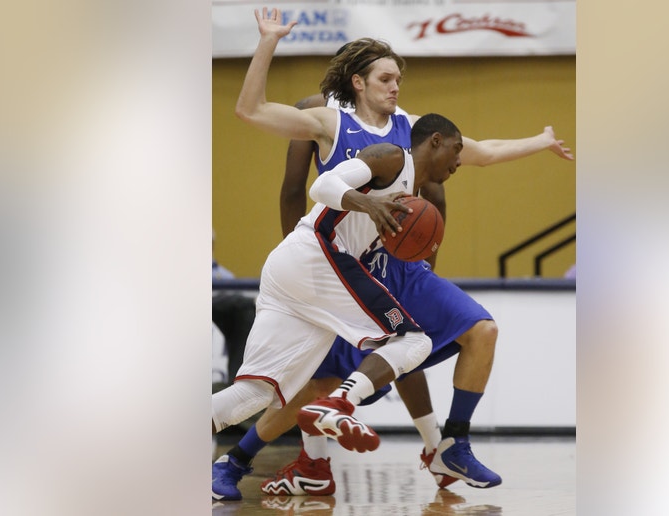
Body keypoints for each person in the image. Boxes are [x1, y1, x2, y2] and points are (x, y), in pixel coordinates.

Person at [215, 7, 574, 500]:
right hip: (328, 261)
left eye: (399, 78)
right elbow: (253, 114)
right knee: (353, 368)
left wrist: (540, 141)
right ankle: (281, 453)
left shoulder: (413, 129)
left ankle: (436, 444)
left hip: (379, 267)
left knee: (265, 390)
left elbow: (483, 152)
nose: (396, 86)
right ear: (358, 82)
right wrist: (268, 43)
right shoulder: (328, 119)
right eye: (386, 77)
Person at [212, 111, 465, 500]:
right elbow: (323, 185)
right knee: (414, 341)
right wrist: (368, 204)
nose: (460, 160)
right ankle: (337, 403)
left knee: (256, 393)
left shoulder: (413, 191)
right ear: (434, 141)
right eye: (456, 149)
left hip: (293, 272)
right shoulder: (392, 157)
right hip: (317, 255)